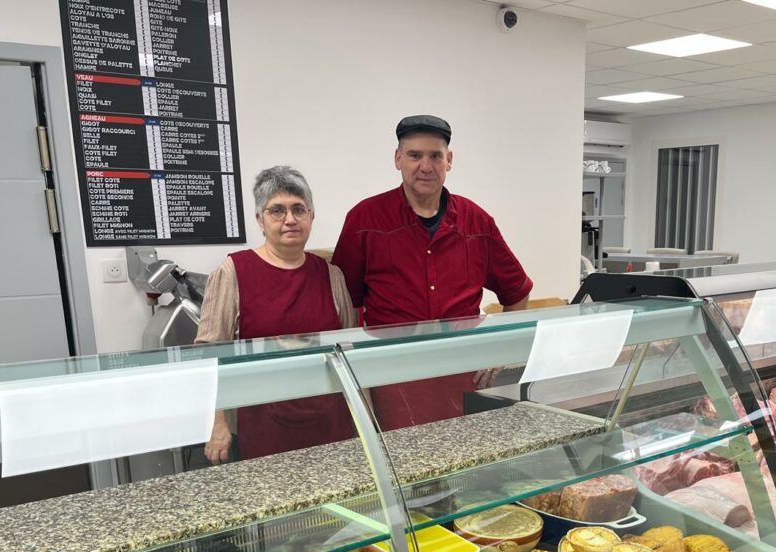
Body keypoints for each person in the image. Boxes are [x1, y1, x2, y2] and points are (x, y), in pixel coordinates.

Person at [333, 114, 532, 428]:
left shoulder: (476, 222)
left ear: (449, 160)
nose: (425, 166)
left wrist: (499, 351)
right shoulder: (365, 220)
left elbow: (517, 291)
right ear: (398, 159)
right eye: (414, 155)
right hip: (392, 380)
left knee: (465, 469)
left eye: (435, 156)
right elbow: (345, 303)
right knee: (404, 468)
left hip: (464, 377)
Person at [197, 166, 357, 462]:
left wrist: (364, 418)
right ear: (260, 220)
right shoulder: (233, 272)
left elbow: (349, 353)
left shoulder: (330, 275)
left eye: (299, 209)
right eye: (277, 211)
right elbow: (210, 355)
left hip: (330, 423)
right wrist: (217, 423)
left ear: (311, 216)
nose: (290, 220)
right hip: (261, 423)